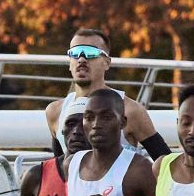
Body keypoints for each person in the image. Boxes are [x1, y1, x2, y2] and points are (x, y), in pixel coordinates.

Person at [45, 29, 166, 158]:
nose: (81, 59)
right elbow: (57, 171)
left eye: (90, 53)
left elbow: (165, 162)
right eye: (75, 53)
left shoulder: (130, 110)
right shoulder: (55, 111)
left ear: (107, 63)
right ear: (70, 63)